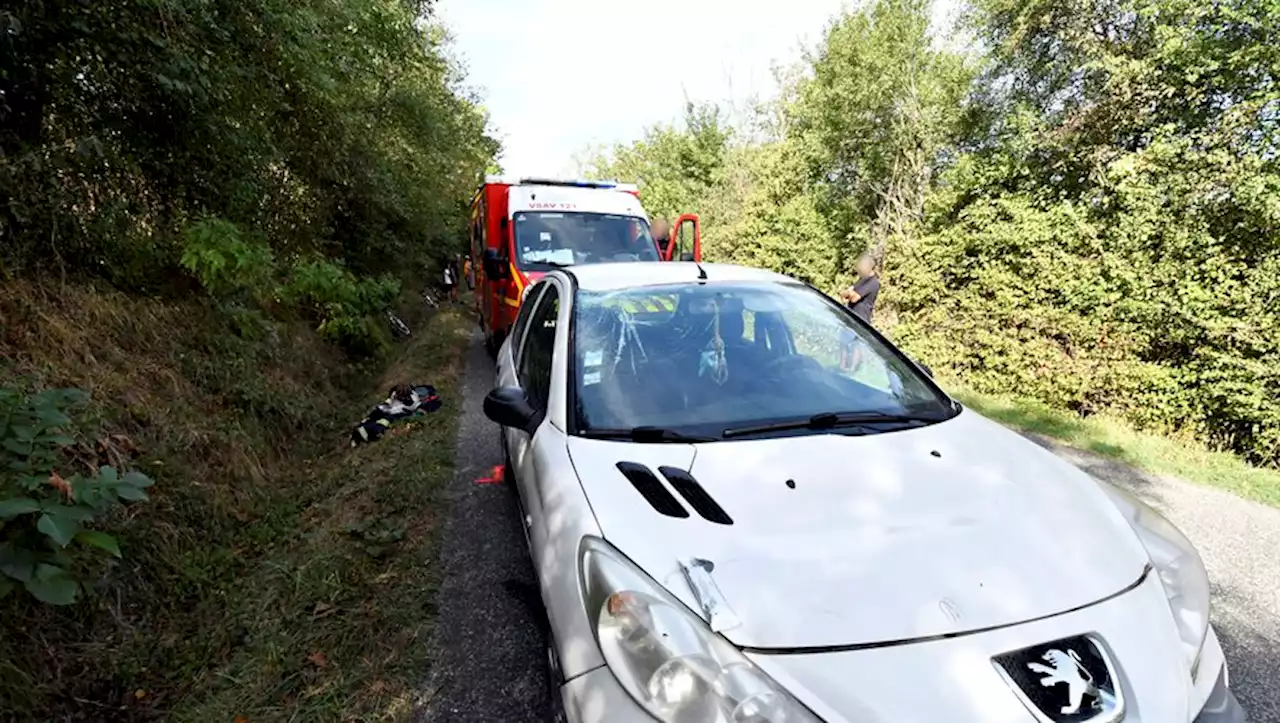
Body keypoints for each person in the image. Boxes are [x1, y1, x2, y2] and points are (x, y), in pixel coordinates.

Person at [839, 253, 881, 372]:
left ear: (868, 267)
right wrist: (848, 293)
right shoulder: (862, 280)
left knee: (857, 345)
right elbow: (844, 294)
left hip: (861, 318)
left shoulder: (873, 283)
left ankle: (852, 369)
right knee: (843, 341)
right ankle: (841, 367)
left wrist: (848, 293)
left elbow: (854, 297)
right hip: (850, 314)